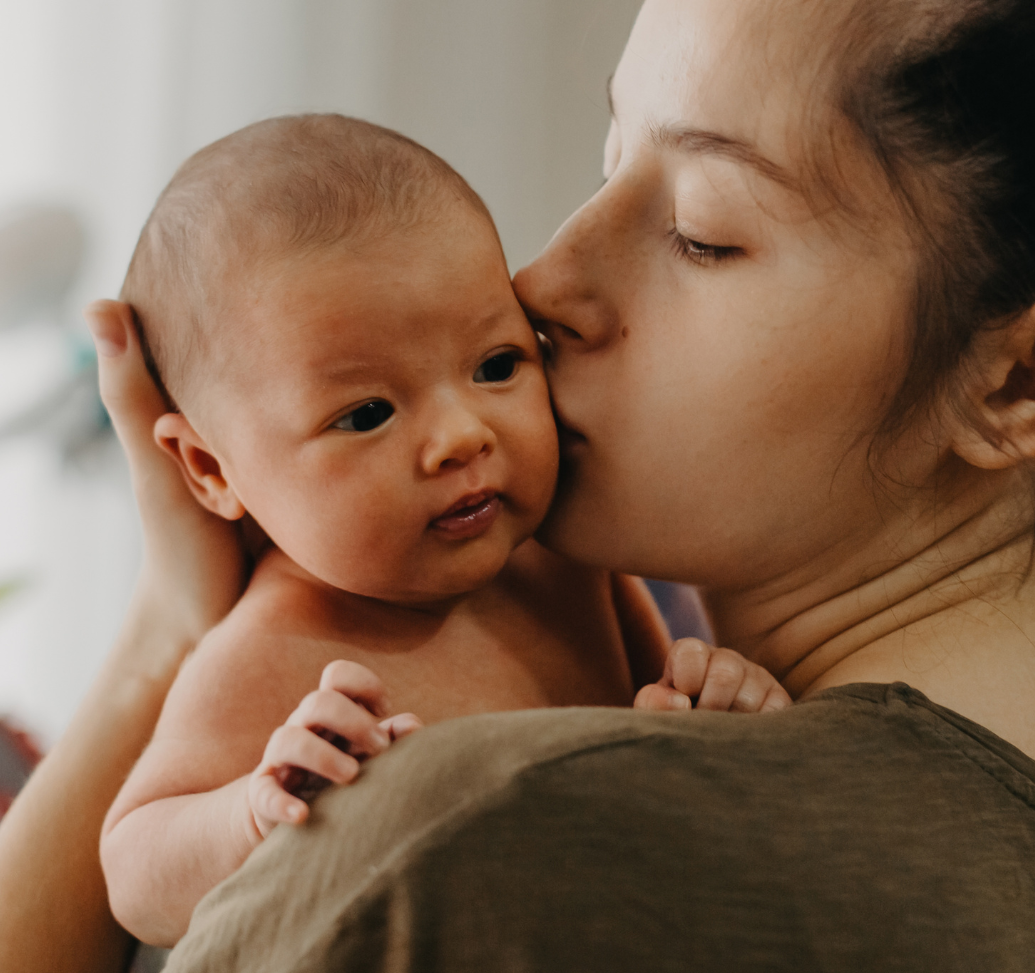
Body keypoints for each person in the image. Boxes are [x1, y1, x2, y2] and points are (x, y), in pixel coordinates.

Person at [0, 0, 1035, 969]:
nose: (549, 284)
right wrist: (200, 635)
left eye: (705, 232)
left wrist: (161, 652)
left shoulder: (487, 841)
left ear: (1026, 377)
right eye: (606, 166)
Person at [95, 113, 789, 946]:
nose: (463, 435)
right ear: (211, 470)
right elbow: (134, 872)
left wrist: (710, 714)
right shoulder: (266, 650)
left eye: (497, 365)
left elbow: (652, 719)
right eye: (367, 414)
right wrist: (253, 811)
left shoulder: (564, 569)